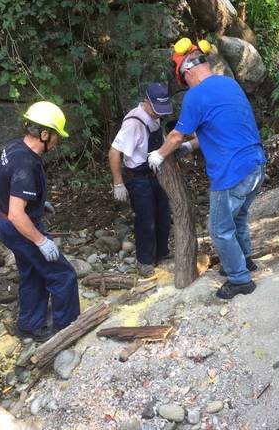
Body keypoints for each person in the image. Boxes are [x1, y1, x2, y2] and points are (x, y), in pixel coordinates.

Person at [148, 40, 267, 300]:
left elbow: (177, 135)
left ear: (187, 73)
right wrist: (191, 148)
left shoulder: (196, 95)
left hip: (231, 171)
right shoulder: (229, 84)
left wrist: (158, 155)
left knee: (219, 229)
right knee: (237, 220)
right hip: (256, 164)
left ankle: (240, 280)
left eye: (184, 80)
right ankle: (245, 261)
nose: (186, 85)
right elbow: (217, 128)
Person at [0, 101, 80, 342]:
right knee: (63, 275)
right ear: (44, 134)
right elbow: (16, 214)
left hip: (7, 222)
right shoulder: (25, 163)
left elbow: (5, 185)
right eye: (55, 136)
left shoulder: (14, 148)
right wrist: (41, 241)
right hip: (18, 226)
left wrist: (36, 204)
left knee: (32, 273)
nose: (57, 141)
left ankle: (29, 325)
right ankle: (68, 329)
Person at [108, 83, 173, 277]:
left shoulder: (156, 118)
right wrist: (118, 183)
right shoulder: (134, 123)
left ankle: (161, 253)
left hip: (156, 172)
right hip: (138, 177)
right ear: (146, 102)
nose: (158, 114)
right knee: (146, 220)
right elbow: (113, 152)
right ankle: (144, 260)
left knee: (163, 215)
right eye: (155, 109)